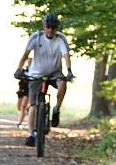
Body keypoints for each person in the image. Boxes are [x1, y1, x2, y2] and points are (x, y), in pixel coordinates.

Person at [14, 14, 74, 146]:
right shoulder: (36, 37)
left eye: (53, 27)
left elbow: (66, 55)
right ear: (44, 27)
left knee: (63, 84)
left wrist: (69, 71)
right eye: (48, 27)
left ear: (57, 28)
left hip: (55, 72)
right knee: (33, 105)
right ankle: (31, 134)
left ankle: (57, 109)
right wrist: (19, 69)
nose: (50, 30)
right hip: (36, 73)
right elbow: (26, 54)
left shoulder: (61, 39)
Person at [16, 58, 31, 127]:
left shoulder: (35, 72)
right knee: (19, 107)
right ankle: (28, 109)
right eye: (29, 62)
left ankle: (20, 122)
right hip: (22, 90)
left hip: (29, 90)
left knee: (23, 106)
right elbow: (17, 75)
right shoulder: (23, 71)